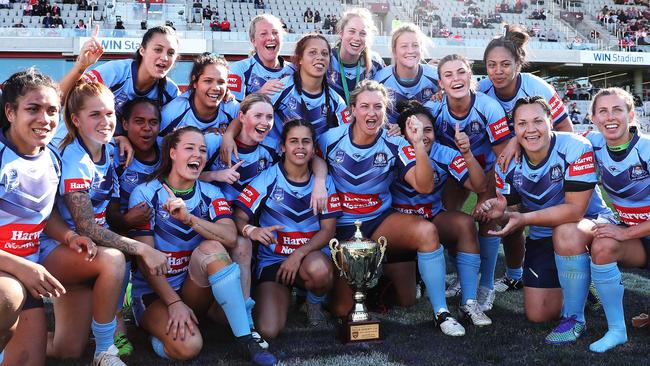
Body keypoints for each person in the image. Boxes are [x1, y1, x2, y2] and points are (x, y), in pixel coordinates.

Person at [319, 80, 465, 337]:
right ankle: (354, 287)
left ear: (385, 111)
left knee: (426, 233)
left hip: (378, 221)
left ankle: (442, 312)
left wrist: (418, 144)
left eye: (378, 106)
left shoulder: (395, 143)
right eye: (364, 106)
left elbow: (424, 186)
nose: (371, 113)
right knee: (342, 309)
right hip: (339, 227)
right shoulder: (330, 139)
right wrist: (320, 180)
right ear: (352, 109)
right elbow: (310, 165)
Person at [39, 80, 170, 365]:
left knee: (67, 349)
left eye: (109, 114)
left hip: (85, 255)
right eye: (95, 114)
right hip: (59, 250)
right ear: (76, 119)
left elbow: (106, 210)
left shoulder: (109, 149)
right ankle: (105, 349)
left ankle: (9, 344)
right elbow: (86, 227)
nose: (105, 121)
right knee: (116, 259)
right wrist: (142, 249)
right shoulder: (76, 159)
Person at [128, 126, 278, 365]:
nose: (198, 155)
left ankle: (245, 338)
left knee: (214, 247)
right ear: (172, 153)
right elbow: (145, 261)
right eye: (190, 148)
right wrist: (174, 303)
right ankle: (157, 332)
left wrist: (189, 219)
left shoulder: (211, 192)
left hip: (193, 288)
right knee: (189, 347)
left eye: (203, 150)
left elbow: (230, 237)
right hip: (154, 293)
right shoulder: (145, 193)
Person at [474, 96, 612, 346]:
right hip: (542, 234)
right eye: (522, 124)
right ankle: (578, 283)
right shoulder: (506, 163)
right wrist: (500, 211)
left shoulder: (575, 147)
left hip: (589, 227)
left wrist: (524, 218)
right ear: (514, 129)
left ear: (550, 121)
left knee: (566, 232)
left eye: (538, 121)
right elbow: (513, 209)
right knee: (539, 314)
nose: (531, 129)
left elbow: (574, 212)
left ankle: (575, 317)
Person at [0, 69, 93, 366]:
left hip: (26, 268)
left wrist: (68, 235)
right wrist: (22, 268)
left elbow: (42, 211)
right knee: (8, 294)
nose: (45, 118)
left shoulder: (51, 157)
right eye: (33, 109)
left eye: (52, 110)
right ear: (10, 112)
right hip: (11, 274)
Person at [479, 24, 573, 292]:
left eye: (505, 65)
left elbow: (567, 130)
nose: (498, 71)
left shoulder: (537, 86)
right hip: (506, 166)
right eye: (492, 65)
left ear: (518, 64)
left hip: (547, 163)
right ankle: (514, 273)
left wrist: (516, 140)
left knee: (559, 221)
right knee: (506, 213)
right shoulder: (483, 90)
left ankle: (576, 271)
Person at [233, 119, 339, 336]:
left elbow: (328, 231)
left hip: (309, 257)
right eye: (294, 141)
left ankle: (313, 302)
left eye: (306, 142)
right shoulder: (267, 179)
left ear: (313, 148)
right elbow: (239, 217)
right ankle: (287, 294)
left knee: (319, 272)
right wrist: (252, 231)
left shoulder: (324, 182)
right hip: (274, 260)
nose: (300, 147)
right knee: (268, 330)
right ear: (283, 146)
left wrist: (297, 255)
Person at [390, 101, 491, 326]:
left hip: (432, 218)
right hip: (399, 226)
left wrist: (466, 153)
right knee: (405, 299)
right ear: (403, 131)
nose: (423, 135)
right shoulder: (393, 146)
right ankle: (412, 276)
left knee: (464, 223)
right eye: (415, 129)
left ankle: (469, 301)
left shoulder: (444, 153)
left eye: (428, 129)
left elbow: (479, 185)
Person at [425, 54, 511, 311]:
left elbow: (502, 156)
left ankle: (486, 286)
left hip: (488, 168)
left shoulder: (488, 107)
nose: (456, 79)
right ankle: (466, 277)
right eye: (448, 75)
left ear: (470, 76)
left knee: (489, 216)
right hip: (455, 171)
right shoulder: (434, 109)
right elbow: (413, 124)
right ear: (440, 83)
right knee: (447, 219)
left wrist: (487, 194)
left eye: (461, 72)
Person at [583, 87, 650, 352]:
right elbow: (552, 140)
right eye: (603, 111)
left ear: (631, 114)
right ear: (594, 119)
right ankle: (617, 331)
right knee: (602, 244)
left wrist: (624, 233)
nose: (610, 117)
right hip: (638, 238)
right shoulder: (592, 143)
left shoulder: (646, 149)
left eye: (617, 109)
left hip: (633, 233)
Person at [106, 97, 162, 357]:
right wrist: (128, 221)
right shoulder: (115, 156)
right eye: (139, 122)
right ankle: (117, 323)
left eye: (153, 122)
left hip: (161, 229)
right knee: (118, 250)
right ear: (125, 124)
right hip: (124, 230)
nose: (147, 129)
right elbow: (110, 214)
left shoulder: (167, 151)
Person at [60, 25, 181, 129]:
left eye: (171, 53)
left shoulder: (171, 92)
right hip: (80, 138)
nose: (164, 58)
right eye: (158, 50)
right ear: (142, 50)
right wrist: (81, 66)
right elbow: (62, 98)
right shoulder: (116, 72)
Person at [159, 53, 239, 139]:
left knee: (215, 139)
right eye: (208, 81)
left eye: (221, 82)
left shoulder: (232, 108)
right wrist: (202, 135)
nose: (216, 88)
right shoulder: (172, 112)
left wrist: (229, 136)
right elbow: (155, 147)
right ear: (195, 82)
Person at [373, 23, 439, 125]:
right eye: (404, 46)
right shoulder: (379, 80)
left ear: (421, 49)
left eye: (415, 45)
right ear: (394, 51)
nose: (410, 50)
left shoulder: (435, 76)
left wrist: (444, 93)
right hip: (392, 137)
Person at [227, 14, 294, 102]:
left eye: (275, 32)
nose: (271, 37)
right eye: (263, 34)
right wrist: (259, 95)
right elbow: (232, 112)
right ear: (253, 41)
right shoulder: (239, 69)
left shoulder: (294, 70)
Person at [328, 8, 385, 105]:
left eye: (363, 33)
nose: (357, 38)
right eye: (352, 31)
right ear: (341, 33)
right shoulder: (327, 60)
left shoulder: (376, 63)